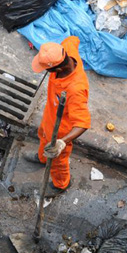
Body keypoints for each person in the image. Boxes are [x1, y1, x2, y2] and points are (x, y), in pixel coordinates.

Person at [25, 36, 91, 197]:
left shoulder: (75, 90)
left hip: (61, 130)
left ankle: (61, 184)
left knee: (57, 160)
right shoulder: (65, 50)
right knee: (42, 136)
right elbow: (73, 39)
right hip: (50, 117)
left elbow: (82, 123)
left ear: (58, 69)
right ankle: (41, 158)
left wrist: (62, 142)